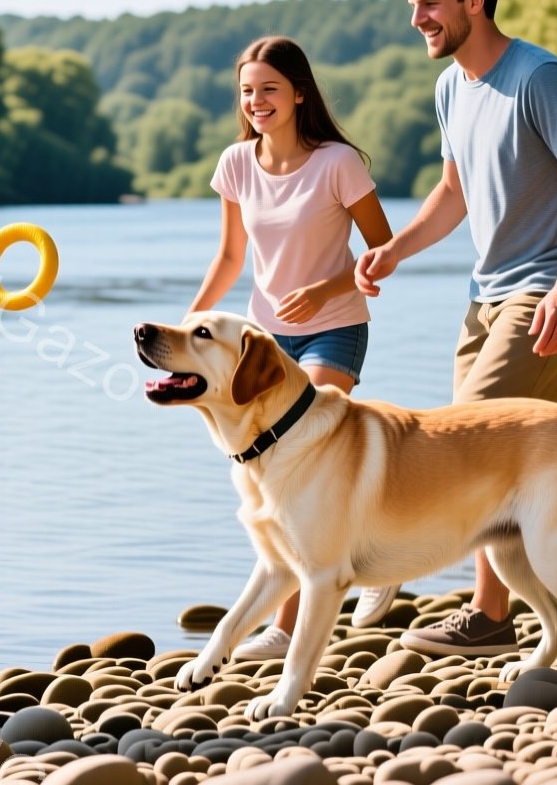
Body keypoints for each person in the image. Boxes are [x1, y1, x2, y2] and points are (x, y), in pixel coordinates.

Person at [356, 0, 557, 657]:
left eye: (430, 5)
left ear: (475, 1)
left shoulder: (539, 77)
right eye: (414, 5)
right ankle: (496, 613)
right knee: (474, 452)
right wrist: (395, 249)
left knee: (461, 443)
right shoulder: (451, 88)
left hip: (547, 290)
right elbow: (454, 192)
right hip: (487, 295)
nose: (418, 20)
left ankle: (419, 578)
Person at [190, 35, 395, 660]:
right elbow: (230, 256)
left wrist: (325, 287)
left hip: (333, 323)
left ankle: (295, 623)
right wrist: (192, 322)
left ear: (299, 93)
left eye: (269, 90)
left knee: (313, 462)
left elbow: (382, 251)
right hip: (262, 340)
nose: (256, 102)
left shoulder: (338, 163)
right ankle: (354, 575)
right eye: (248, 91)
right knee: (272, 475)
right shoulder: (235, 164)